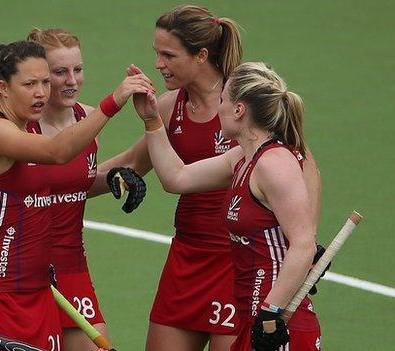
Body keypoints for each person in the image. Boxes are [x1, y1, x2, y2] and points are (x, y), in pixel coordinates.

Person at [0, 40, 153, 351]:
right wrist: (114, 101)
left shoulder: (35, 126)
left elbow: (64, 181)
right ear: (4, 87)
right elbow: (57, 152)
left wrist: (111, 175)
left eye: (44, 83)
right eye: (30, 84)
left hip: (42, 280)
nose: (41, 92)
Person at [133, 61, 322, 351]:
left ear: (239, 110)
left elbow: (303, 243)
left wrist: (271, 312)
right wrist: (152, 121)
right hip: (254, 317)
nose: (218, 108)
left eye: (223, 101)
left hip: (278, 321)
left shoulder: (274, 164)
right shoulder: (241, 159)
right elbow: (176, 177)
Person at [99, 5, 247, 351]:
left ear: (201, 56)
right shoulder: (167, 106)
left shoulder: (245, 102)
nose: (158, 64)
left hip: (236, 261)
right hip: (186, 259)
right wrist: (56, 185)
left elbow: (301, 163)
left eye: (168, 55)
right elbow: (130, 164)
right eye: (156, 53)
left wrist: (303, 237)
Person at [26, 27, 147, 351]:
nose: (71, 80)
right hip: (21, 266)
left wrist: (108, 178)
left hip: (71, 262)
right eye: (60, 72)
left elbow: (72, 184)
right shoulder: (19, 128)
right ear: (38, 77)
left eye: (77, 70)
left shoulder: (87, 117)